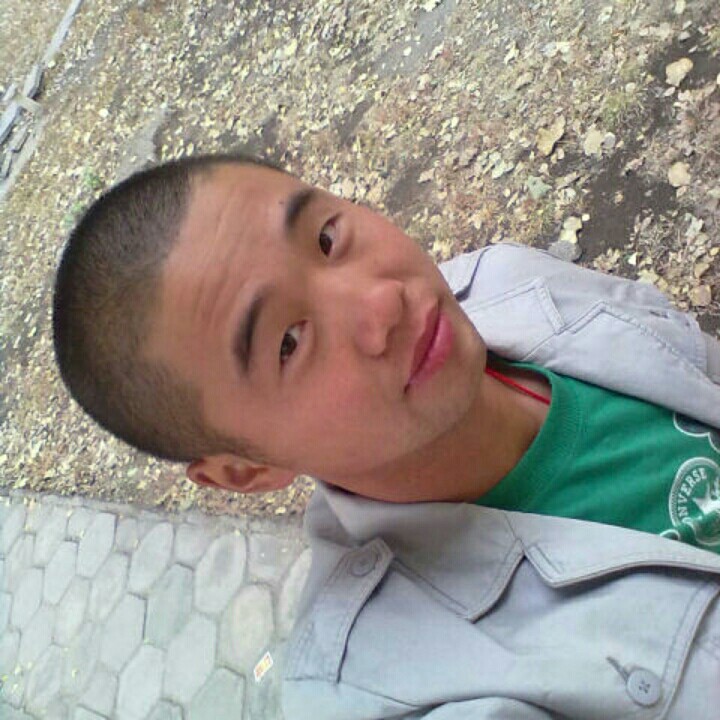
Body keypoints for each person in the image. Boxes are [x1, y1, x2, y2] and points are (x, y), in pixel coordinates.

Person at [53, 154, 720, 718]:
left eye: (326, 239)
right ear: (243, 472)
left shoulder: (509, 280)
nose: (383, 303)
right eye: (288, 342)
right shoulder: (402, 689)